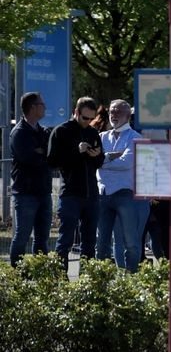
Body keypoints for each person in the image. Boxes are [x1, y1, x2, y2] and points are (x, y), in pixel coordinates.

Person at [46, 97, 104, 271]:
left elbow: (100, 161)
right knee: (65, 240)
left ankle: (88, 281)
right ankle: (60, 279)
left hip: (91, 195)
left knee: (89, 242)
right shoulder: (61, 131)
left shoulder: (93, 133)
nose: (88, 122)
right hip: (70, 193)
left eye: (91, 119)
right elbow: (52, 161)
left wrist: (96, 156)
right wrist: (76, 151)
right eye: (85, 118)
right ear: (76, 112)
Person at [96, 100, 145, 272]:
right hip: (102, 193)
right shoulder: (101, 137)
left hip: (125, 194)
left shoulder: (136, 138)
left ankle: (131, 277)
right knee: (101, 242)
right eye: (111, 111)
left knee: (130, 241)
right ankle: (99, 280)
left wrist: (102, 159)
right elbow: (93, 160)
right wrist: (111, 157)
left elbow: (126, 162)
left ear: (128, 115)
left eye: (118, 112)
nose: (113, 115)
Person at [9, 92, 53, 267]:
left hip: (44, 192)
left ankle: (39, 274)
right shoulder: (19, 133)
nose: (45, 107)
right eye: (42, 104)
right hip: (26, 194)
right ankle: (17, 274)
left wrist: (43, 153)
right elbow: (30, 159)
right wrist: (43, 155)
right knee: (22, 236)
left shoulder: (42, 132)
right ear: (33, 108)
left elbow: (49, 155)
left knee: (42, 238)